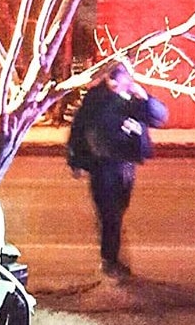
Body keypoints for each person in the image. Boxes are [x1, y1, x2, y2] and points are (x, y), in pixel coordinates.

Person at [67, 63, 168, 277]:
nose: (116, 82)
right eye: (112, 78)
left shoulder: (133, 99)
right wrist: (75, 160)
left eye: (121, 78)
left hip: (126, 164)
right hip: (102, 164)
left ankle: (111, 254)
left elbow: (160, 117)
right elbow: (79, 128)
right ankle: (109, 260)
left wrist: (145, 99)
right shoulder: (95, 99)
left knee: (117, 212)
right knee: (109, 213)